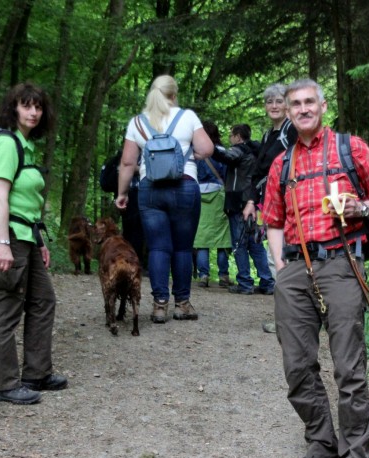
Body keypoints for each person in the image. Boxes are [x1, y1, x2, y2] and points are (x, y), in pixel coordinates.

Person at [262, 78, 369, 458]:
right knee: (297, 365)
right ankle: (322, 447)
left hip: (341, 263)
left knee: (348, 368)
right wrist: (281, 266)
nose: (303, 109)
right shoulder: (281, 163)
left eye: (310, 102)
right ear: (287, 111)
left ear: (323, 106)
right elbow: (272, 220)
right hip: (295, 269)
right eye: (295, 104)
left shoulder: (349, 148)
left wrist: (362, 207)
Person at [0, 83, 67, 405]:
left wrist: (39, 240)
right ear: (13, 108)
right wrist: (3, 244)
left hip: (26, 236)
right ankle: (3, 384)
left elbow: (26, 203)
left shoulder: (25, 146)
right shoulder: (6, 144)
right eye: (26, 105)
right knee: (6, 306)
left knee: (43, 300)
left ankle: (36, 372)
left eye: (38, 107)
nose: (33, 112)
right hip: (8, 237)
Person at [115, 75, 214, 323]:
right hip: (185, 186)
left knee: (158, 247)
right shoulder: (187, 117)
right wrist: (190, 155)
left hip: (150, 189)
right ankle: (182, 304)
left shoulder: (137, 122)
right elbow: (206, 149)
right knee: (182, 247)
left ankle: (159, 306)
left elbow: (127, 162)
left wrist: (122, 193)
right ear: (174, 94)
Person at [255, 83, 298, 333]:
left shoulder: (291, 130)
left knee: (282, 258)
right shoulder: (269, 135)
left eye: (279, 101)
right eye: (269, 101)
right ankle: (288, 316)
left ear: (287, 104)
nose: (274, 105)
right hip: (271, 202)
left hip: (288, 204)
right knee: (276, 258)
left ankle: (290, 318)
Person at [213, 124, 274, 296]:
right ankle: (267, 282)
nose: (230, 139)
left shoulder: (240, 150)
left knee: (239, 243)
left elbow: (225, 156)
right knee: (255, 243)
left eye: (231, 135)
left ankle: (245, 283)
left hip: (238, 203)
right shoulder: (257, 151)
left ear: (238, 136)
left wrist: (210, 147)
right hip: (254, 201)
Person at [194, 121, 231, 288]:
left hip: (199, 195)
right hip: (219, 196)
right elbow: (228, 175)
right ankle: (224, 275)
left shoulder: (196, 153)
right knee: (223, 237)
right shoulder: (222, 152)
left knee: (202, 238)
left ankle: (203, 275)